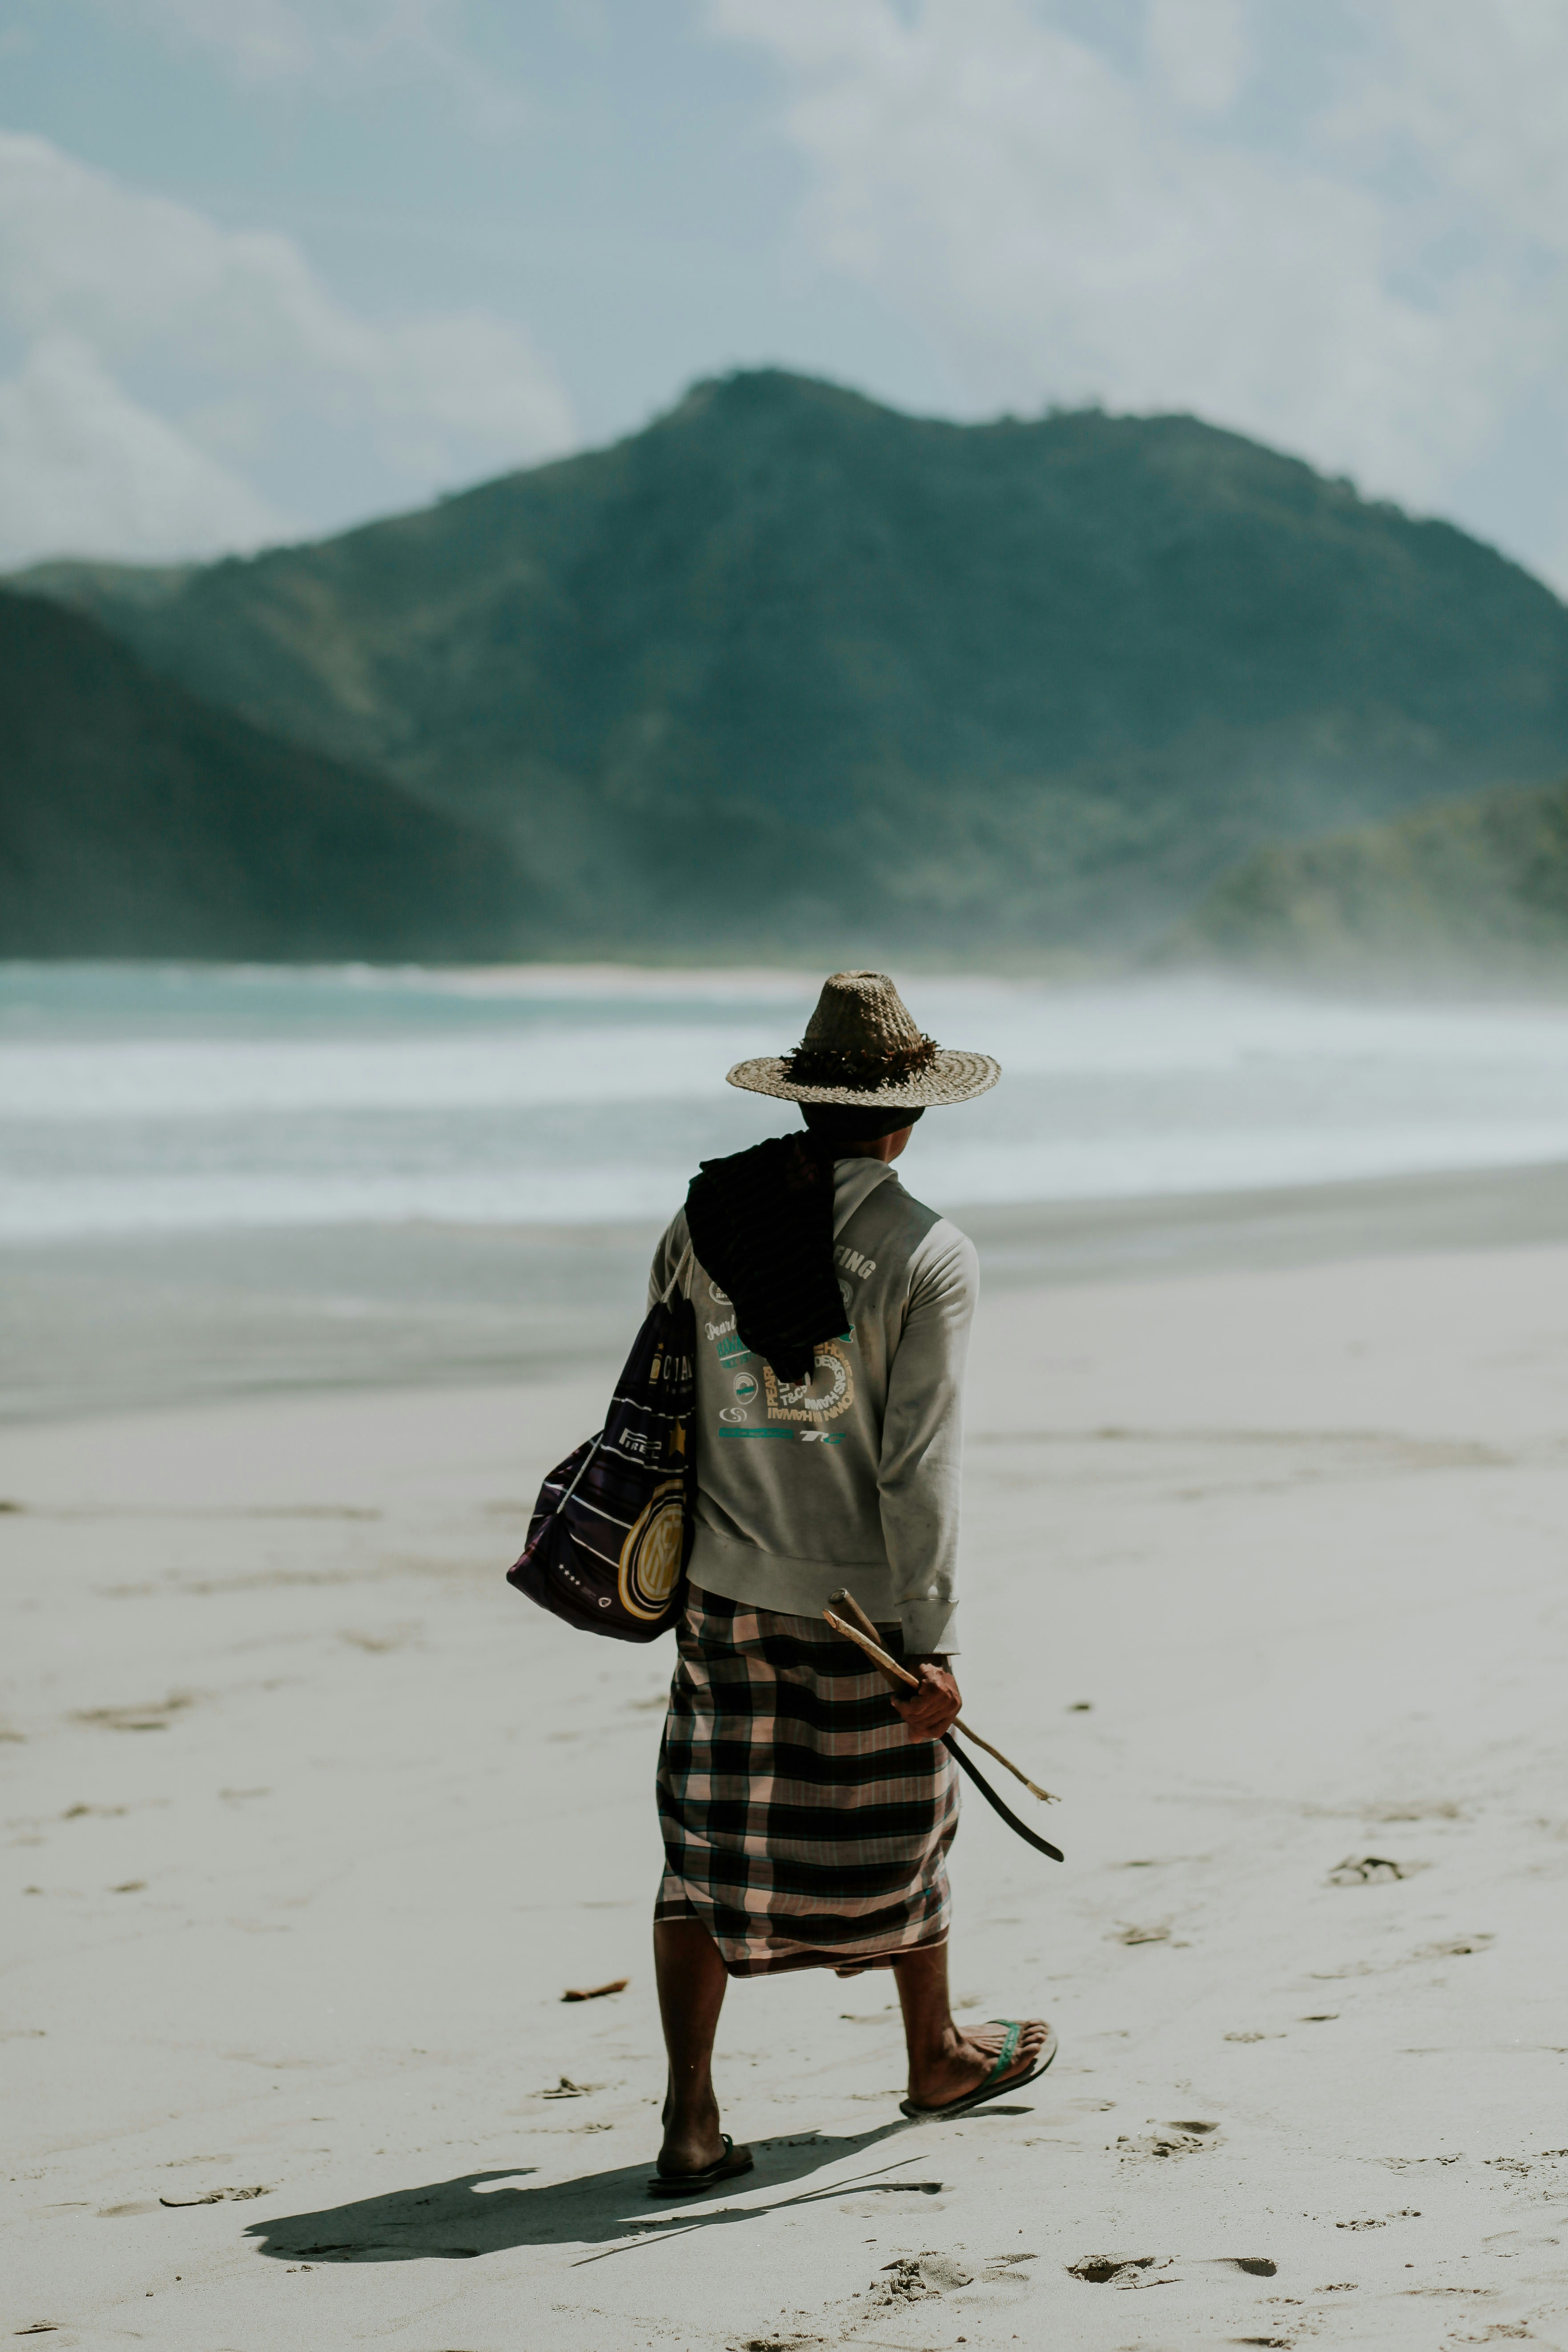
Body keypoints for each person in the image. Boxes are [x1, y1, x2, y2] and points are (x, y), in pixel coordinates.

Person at [645, 970, 1054, 2195]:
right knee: (912, 1828)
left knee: (702, 1847)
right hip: (866, 1605)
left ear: (809, 1100)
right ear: (909, 1115)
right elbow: (916, 1468)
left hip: (722, 1583)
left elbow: (668, 1397)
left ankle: (691, 2120)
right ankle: (934, 2055)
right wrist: (929, 1639)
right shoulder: (929, 1251)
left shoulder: (703, 1221)